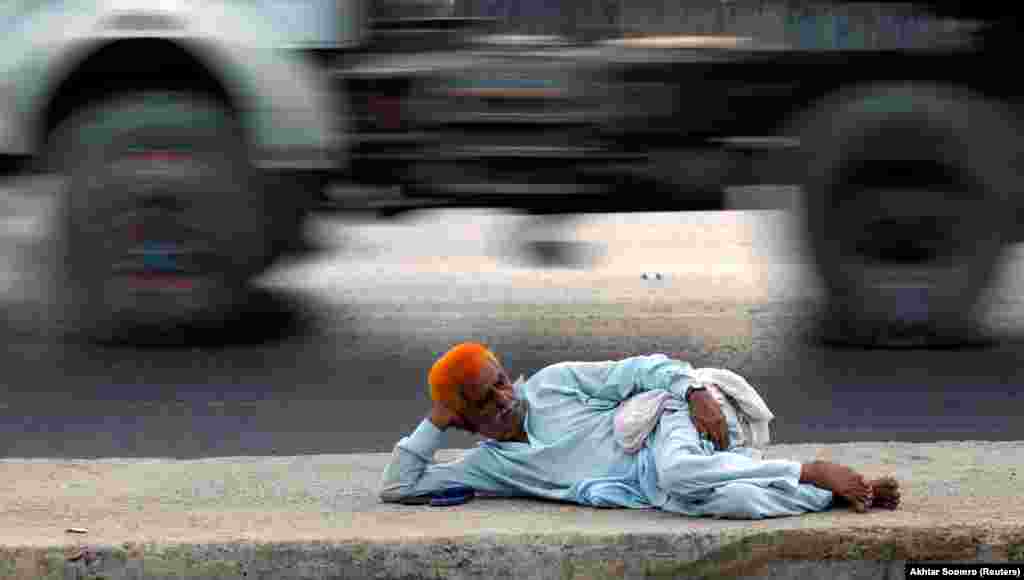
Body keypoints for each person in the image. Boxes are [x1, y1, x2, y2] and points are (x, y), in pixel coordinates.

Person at [379, 342, 900, 519]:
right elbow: (399, 487)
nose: (503, 399)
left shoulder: (554, 384)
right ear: (464, 420)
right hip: (658, 483)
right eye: (483, 400)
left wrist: (695, 393)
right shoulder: (489, 465)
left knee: (679, 473)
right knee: (732, 502)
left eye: (500, 383)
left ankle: (813, 469)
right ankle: (830, 495)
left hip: (670, 419)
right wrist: (433, 423)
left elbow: (643, 368)